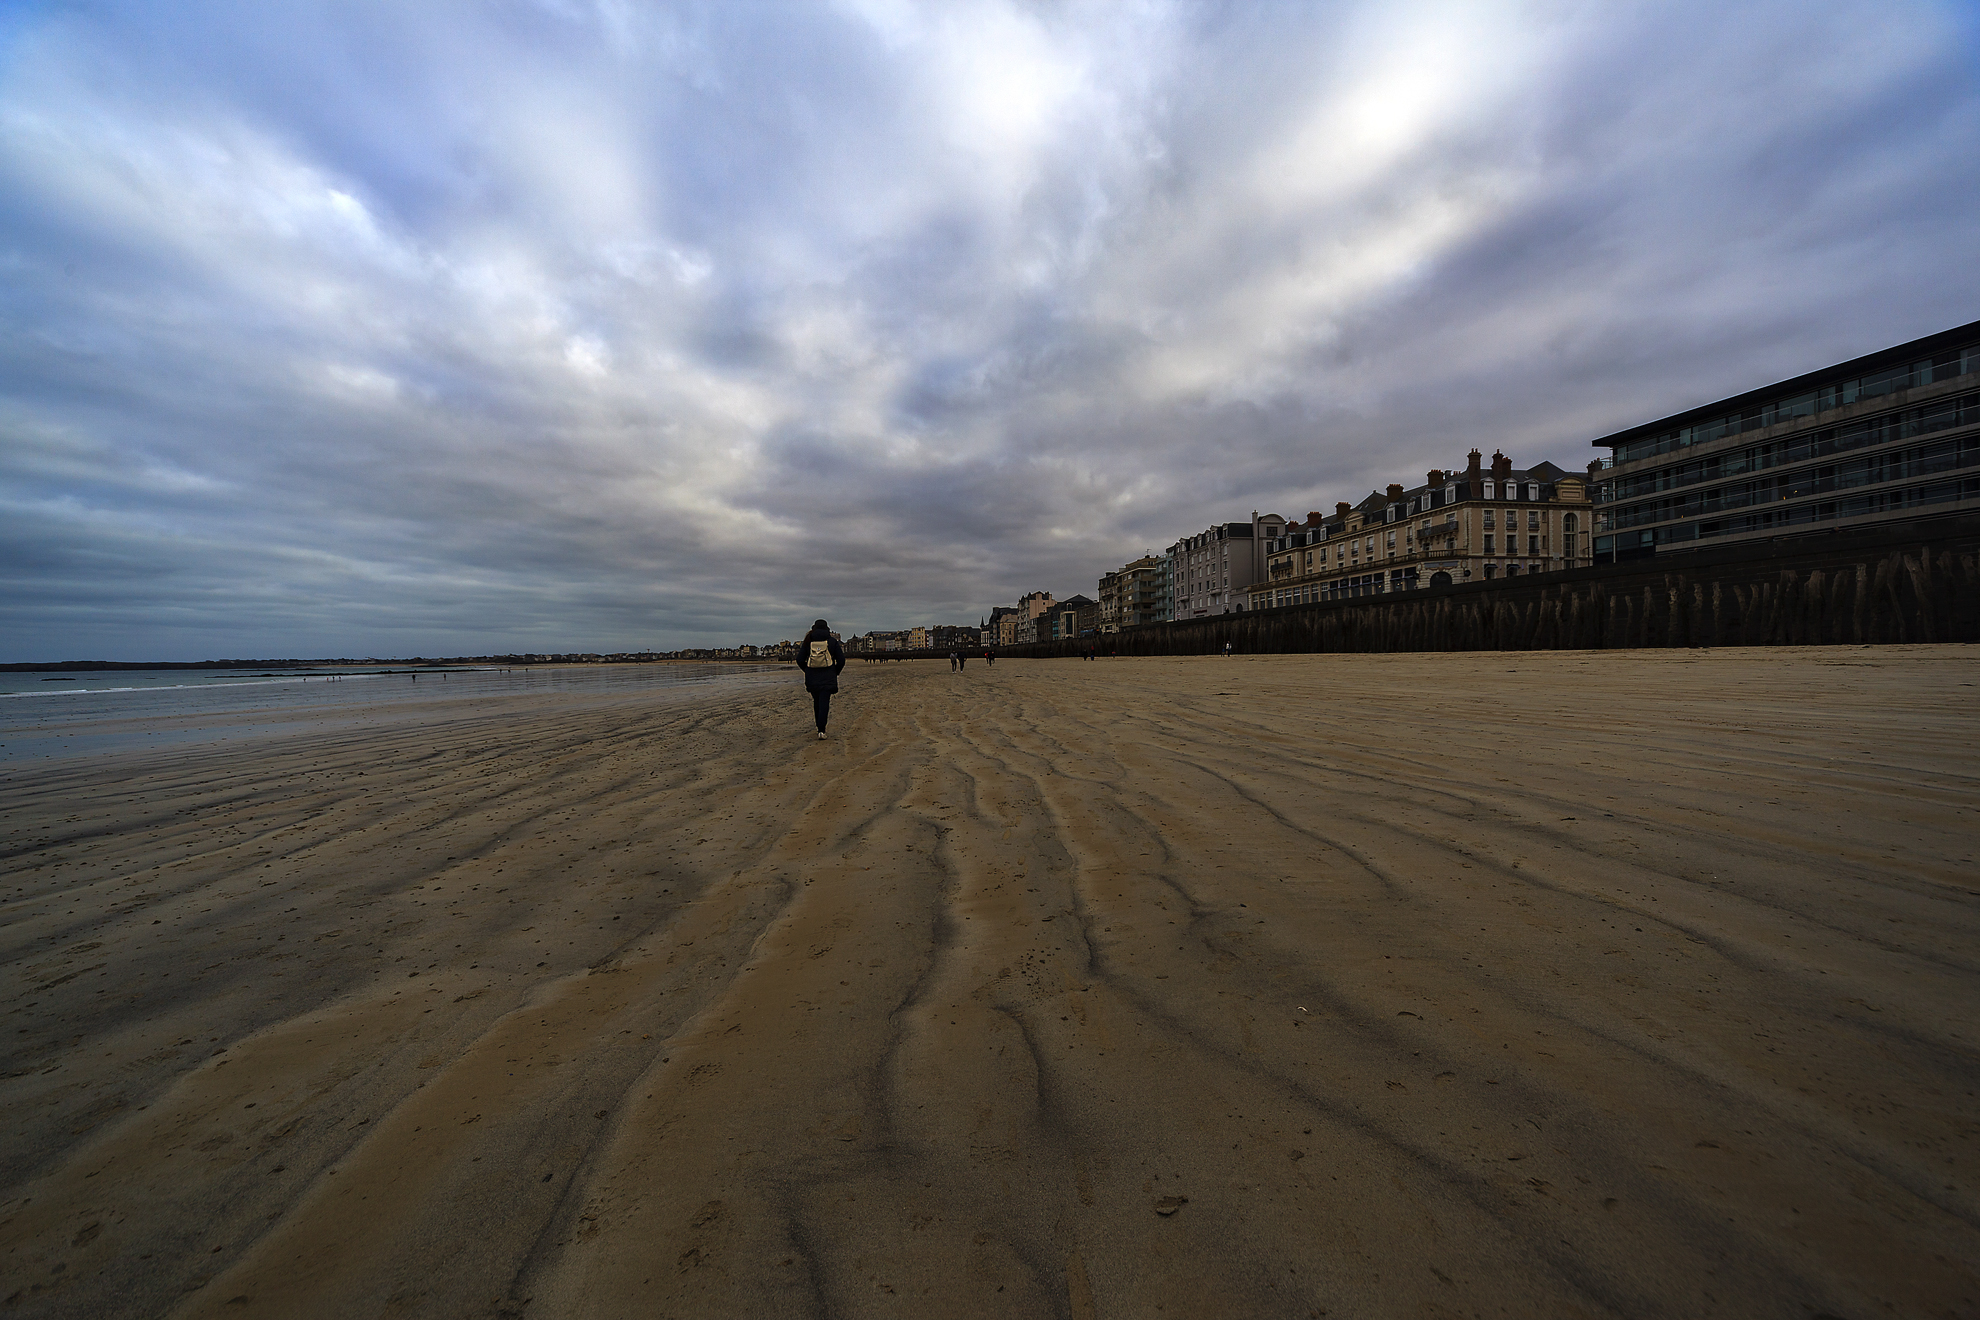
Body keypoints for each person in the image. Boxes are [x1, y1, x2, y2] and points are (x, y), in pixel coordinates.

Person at [797, 619, 845, 739]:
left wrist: (807, 670)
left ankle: (819, 728)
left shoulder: (808, 641)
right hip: (828, 676)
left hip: (812, 677)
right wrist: (835, 672)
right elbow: (841, 660)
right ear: (827, 629)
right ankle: (821, 730)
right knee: (824, 702)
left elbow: (799, 659)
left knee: (816, 702)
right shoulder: (832, 641)